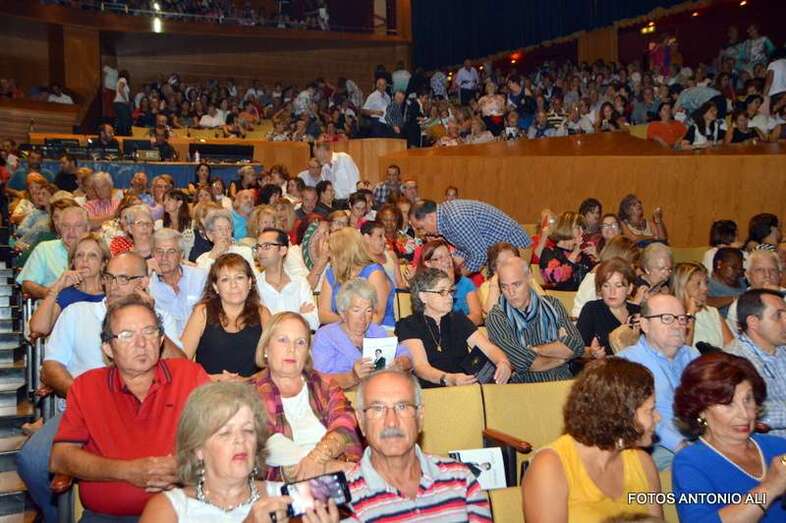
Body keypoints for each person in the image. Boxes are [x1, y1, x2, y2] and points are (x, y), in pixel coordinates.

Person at [49, 295, 210, 520]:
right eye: (127, 335)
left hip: (184, 511)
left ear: (161, 339)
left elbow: (225, 438)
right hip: (108, 516)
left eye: (149, 332)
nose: (141, 343)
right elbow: (60, 458)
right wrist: (128, 472)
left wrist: (184, 467)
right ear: (108, 348)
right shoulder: (87, 386)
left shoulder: (189, 376)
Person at [139, 382, 340, 523]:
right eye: (225, 433)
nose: (240, 440)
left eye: (248, 430)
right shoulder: (170, 508)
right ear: (198, 449)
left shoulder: (285, 499)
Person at [522, 359, 662, 522]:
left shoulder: (643, 463)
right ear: (620, 414)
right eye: (650, 410)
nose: (658, 417)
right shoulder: (551, 466)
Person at [345, 369, 492, 521]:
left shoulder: (461, 478)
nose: (391, 422)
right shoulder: (345, 503)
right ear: (361, 421)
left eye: (402, 406)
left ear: (420, 417)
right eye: (377, 408)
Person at [673, 351, 786, 522]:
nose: (745, 414)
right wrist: (770, 488)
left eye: (748, 400)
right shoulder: (691, 462)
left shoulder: (778, 447)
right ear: (701, 410)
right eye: (728, 404)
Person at [254, 312, 363, 481]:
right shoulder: (249, 395)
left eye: (300, 342)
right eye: (283, 340)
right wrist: (325, 468)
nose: (292, 349)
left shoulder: (325, 384)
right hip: (282, 489)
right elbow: (255, 461)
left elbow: (346, 425)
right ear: (266, 348)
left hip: (341, 478)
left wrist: (315, 460)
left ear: (307, 352)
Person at [617, 294, 700, 470]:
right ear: (645, 325)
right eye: (667, 318)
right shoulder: (627, 363)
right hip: (655, 447)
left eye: (682, 318)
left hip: (700, 442)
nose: (678, 325)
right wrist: (680, 445)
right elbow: (635, 419)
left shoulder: (693, 356)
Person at [396, 268, 511, 388]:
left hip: (465, 387)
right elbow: (421, 367)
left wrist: (503, 362)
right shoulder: (409, 324)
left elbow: (488, 348)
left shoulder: (458, 320)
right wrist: (449, 379)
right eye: (442, 292)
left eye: (450, 291)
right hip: (430, 391)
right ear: (423, 296)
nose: (450, 297)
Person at [486, 258, 583, 382]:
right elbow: (524, 362)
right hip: (525, 388)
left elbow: (576, 345)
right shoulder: (496, 317)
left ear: (529, 277)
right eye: (504, 287)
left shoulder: (553, 304)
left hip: (563, 382)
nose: (511, 292)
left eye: (516, 284)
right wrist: (561, 357)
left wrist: (534, 349)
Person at [182, 253, 270, 381]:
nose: (233, 285)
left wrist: (248, 381)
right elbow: (182, 364)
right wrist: (214, 379)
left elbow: (275, 362)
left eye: (239, 277)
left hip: (252, 389)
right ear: (215, 287)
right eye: (225, 279)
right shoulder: (202, 313)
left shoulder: (262, 313)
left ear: (249, 282)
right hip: (210, 389)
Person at [312, 278, 411, 389]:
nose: (363, 318)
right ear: (343, 312)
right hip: (344, 396)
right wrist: (352, 377)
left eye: (368, 311)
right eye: (356, 310)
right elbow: (320, 380)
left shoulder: (377, 331)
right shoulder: (326, 336)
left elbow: (405, 355)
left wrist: (402, 363)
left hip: (379, 392)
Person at [409, 199, 531, 273]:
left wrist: (455, 277)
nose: (424, 232)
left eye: (421, 227)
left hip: (516, 250)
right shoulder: (446, 219)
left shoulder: (456, 219)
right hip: (501, 253)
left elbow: (479, 255)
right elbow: (465, 251)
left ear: (430, 217)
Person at [726, 289, 786, 436]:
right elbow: (751, 410)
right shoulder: (733, 361)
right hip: (770, 444)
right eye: (778, 316)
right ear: (753, 322)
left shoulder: (781, 347)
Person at [28, 232, 107, 338]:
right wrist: (57, 287)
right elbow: (38, 328)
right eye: (79, 255)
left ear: (103, 264)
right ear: (73, 262)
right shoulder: (66, 294)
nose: (85, 260)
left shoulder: (111, 294)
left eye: (92, 255)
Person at [318, 227, 395, 328]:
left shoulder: (374, 272)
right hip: (340, 328)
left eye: (332, 251)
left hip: (376, 329)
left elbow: (377, 317)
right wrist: (346, 322)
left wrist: (348, 322)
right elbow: (323, 314)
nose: (329, 255)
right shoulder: (332, 273)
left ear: (343, 253)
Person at [16, 205, 90, 299]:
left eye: (78, 226)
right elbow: (27, 285)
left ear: (87, 228)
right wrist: (48, 293)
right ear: (59, 228)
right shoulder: (44, 249)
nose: (71, 231)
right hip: (53, 303)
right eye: (66, 226)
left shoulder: (97, 252)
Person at [254, 227, 319, 331]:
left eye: (266, 246)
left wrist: (274, 322)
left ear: (283, 250)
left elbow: (313, 322)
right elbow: (260, 329)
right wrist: (300, 315)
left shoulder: (300, 282)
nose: (260, 252)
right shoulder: (254, 286)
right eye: (258, 247)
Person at [148, 228, 208, 337]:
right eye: (159, 251)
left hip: (201, 341)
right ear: (152, 254)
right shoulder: (147, 286)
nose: (164, 257)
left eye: (171, 251)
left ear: (181, 255)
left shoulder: (200, 278)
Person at [576, 258, 640, 356]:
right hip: (600, 364)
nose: (612, 292)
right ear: (600, 288)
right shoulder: (592, 309)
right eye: (606, 286)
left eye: (618, 286)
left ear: (629, 288)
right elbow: (577, 349)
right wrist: (592, 352)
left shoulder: (638, 312)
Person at [572, 236, 640, 318]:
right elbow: (608, 314)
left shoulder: (603, 271)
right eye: (631, 263)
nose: (633, 268)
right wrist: (636, 304)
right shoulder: (599, 278)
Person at [418, 239, 482, 324]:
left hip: (462, 329)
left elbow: (477, 317)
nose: (447, 260)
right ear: (428, 263)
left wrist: (454, 324)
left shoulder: (465, 283)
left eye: (448, 255)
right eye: (440, 257)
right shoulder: (426, 288)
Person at [671, 262, 734, 349]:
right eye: (698, 284)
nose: (705, 288)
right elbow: (683, 351)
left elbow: (732, 348)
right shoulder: (672, 316)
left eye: (706, 283)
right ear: (683, 287)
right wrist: (691, 313)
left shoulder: (713, 312)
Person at [725, 250, 783, 335]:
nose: (767, 275)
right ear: (748, 275)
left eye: (773, 270)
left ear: (780, 275)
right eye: (759, 270)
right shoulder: (738, 306)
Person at [539, 211, 594, 291]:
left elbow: (596, 281)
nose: (582, 232)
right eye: (578, 228)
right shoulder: (549, 252)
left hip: (583, 298)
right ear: (566, 228)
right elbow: (556, 279)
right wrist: (575, 254)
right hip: (558, 297)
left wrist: (597, 258)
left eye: (582, 228)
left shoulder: (583, 254)